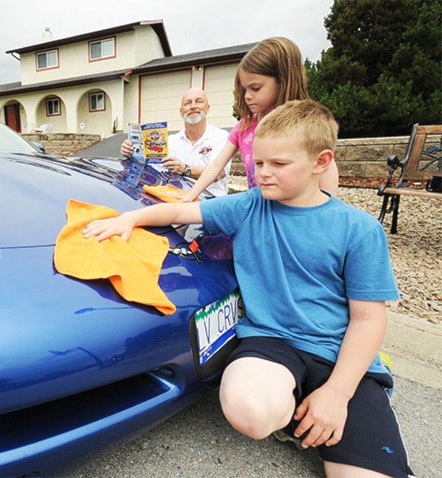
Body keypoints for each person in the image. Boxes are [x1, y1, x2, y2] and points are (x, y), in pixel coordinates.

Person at [83, 100, 413, 478]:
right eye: (258, 163)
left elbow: (369, 319)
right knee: (248, 412)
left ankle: (349, 401)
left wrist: (338, 394)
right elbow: (177, 212)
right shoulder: (251, 205)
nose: (264, 174)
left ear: (320, 162)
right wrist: (128, 219)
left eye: (279, 164)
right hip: (272, 340)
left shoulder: (360, 230)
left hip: (339, 352)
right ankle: (302, 413)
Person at [179, 37, 339, 202]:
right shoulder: (244, 126)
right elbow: (215, 166)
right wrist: (189, 197)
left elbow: (328, 184)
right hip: (262, 213)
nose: (247, 96)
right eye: (244, 89)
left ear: (283, 81)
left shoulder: (306, 128)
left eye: (255, 88)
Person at [120, 87, 230, 199]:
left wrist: (184, 169)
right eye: (187, 103)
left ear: (208, 108)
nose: (193, 106)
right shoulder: (170, 141)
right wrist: (131, 152)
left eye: (199, 101)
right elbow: (148, 164)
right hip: (176, 199)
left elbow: (218, 173)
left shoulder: (221, 137)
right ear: (181, 112)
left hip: (210, 202)